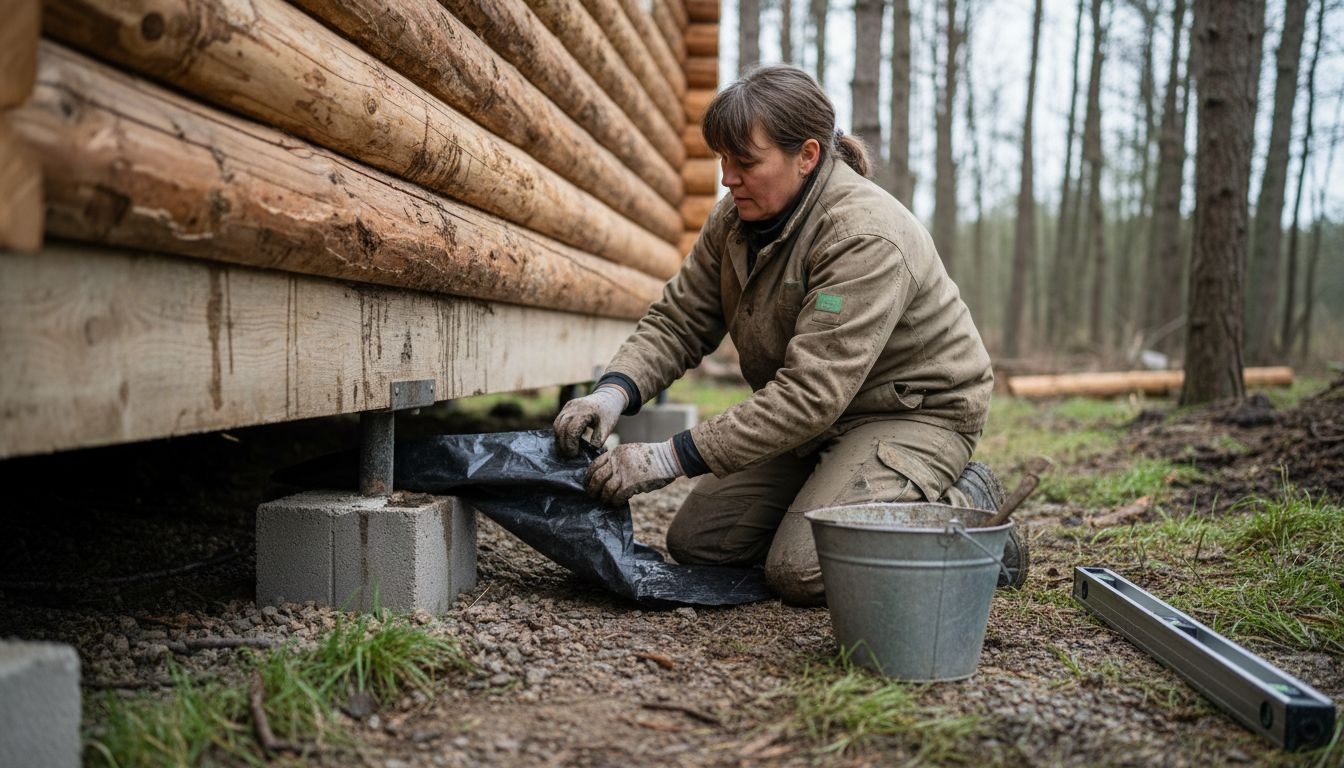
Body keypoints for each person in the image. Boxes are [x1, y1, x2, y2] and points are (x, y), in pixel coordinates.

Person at [554, 65, 1026, 605]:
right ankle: (841, 492)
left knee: (803, 570)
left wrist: (666, 459)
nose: (727, 178)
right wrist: (613, 392)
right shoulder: (733, 220)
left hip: (912, 412)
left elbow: (810, 394)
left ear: (806, 156)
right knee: (701, 542)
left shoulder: (863, 236)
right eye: (722, 161)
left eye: (745, 162)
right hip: (817, 422)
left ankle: (964, 506)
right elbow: (678, 319)